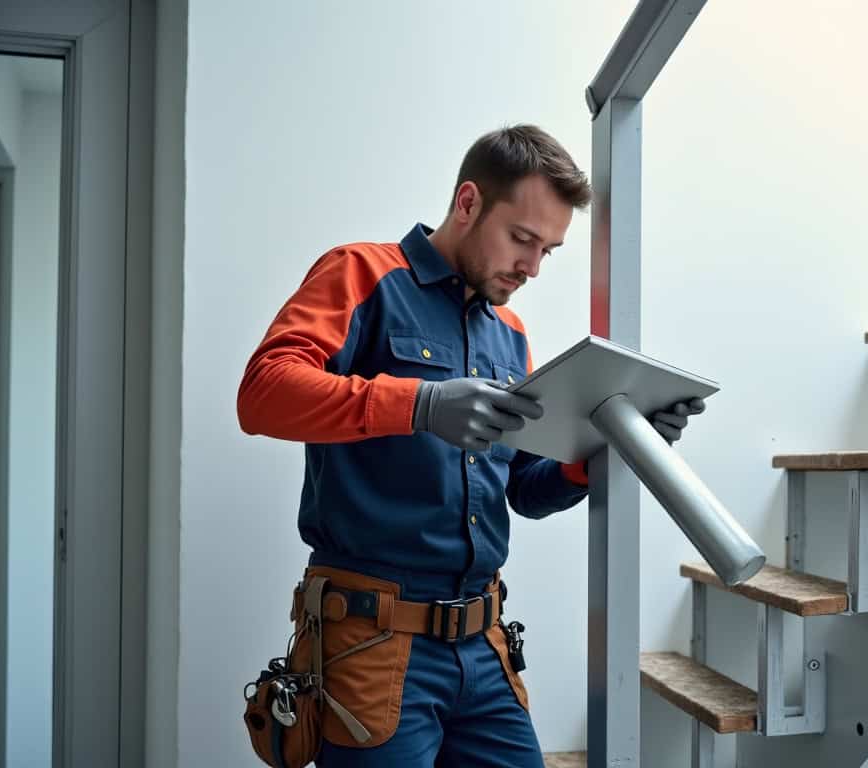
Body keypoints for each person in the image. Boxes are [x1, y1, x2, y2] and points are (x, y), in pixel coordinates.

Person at [237, 124, 704, 767]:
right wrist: (422, 404)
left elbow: (525, 490)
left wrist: (603, 455)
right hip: (371, 645)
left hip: (485, 647)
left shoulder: (510, 334)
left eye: (548, 251)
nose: (531, 268)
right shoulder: (362, 273)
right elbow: (263, 393)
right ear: (468, 202)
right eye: (522, 238)